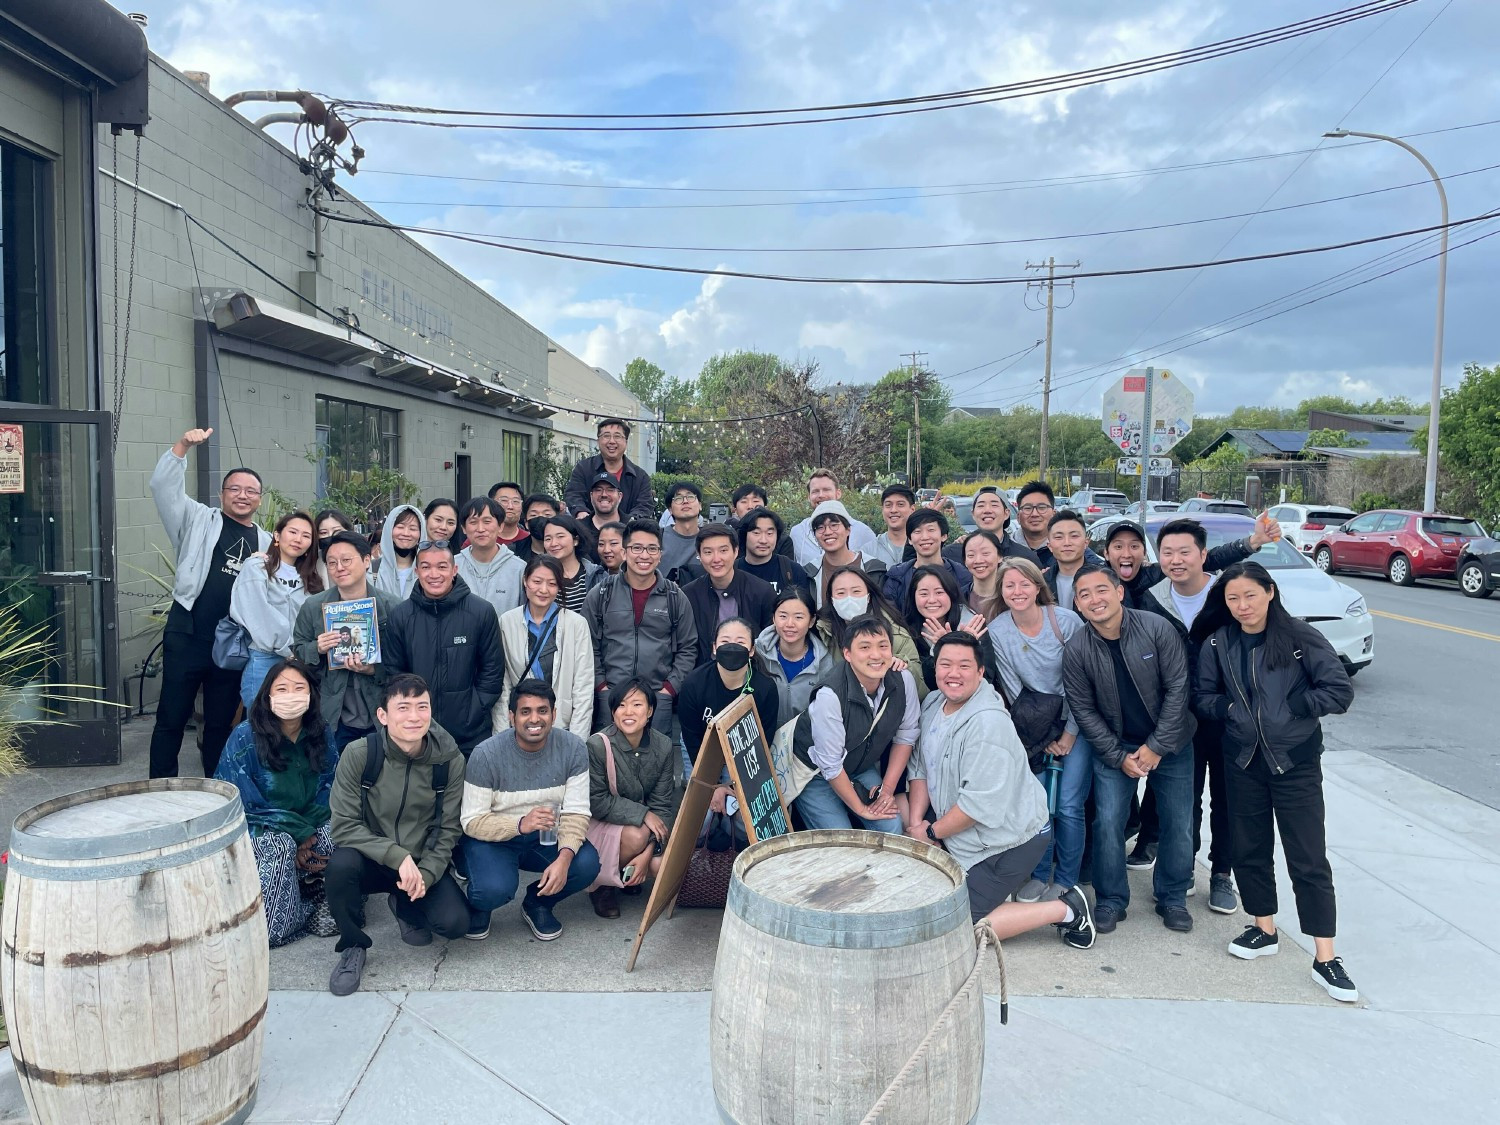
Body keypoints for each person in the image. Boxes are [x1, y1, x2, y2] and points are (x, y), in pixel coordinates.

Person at [1191, 561, 1357, 1001]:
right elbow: (1202, 695)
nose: (1242, 606)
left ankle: (1326, 956)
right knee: (1250, 849)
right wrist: (1228, 712)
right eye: (1233, 598)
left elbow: (1339, 691)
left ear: (1269, 592)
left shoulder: (1299, 637)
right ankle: (1263, 928)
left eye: (1249, 595)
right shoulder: (1219, 642)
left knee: (1308, 858)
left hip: (1294, 762)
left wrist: (1296, 707)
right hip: (1243, 761)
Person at [906, 632, 1095, 949]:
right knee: (896, 813)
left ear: (980, 672)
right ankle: (986, 890)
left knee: (955, 924)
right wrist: (917, 826)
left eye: (964, 666)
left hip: (1012, 839)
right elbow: (919, 768)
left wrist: (933, 832)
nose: (954, 673)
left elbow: (978, 807)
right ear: (935, 668)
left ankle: (1067, 909)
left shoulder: (989, 724)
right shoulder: (934, 702)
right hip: (961, 830)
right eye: (945, 664)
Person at [1062, 567, 1197, 935]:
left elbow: (1178, 690)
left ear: (1119, 592)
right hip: (1115, 747)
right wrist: (1118, 756)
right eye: (1085, 594)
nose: (1095, 599)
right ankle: (1110, 900)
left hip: (1171, 742)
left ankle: (1172, 897)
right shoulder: (1077, 649)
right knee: (1107, 822)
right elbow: (1083, 710)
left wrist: (1155, 747)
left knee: (1177, 823)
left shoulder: (1156, 628)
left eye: (1101, 590)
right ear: (1077, 603)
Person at [325, 674, 469, 996]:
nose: (414, 717)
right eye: (403, 707)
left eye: (422, 706)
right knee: (340, 867)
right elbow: (344, 825)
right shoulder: (360, 754)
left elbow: (448, 828)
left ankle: (404, 904)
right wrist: (396, 855)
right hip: (371, 859)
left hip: (419, 863)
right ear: (383, 716)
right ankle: (353, 945)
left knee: (456, 923)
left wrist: (428, 873)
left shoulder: (449, 761)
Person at [148, 427, 271, 778]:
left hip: (231, 646)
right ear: (222, 493)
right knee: (171, 717)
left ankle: (215, 793)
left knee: (219, 723)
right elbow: (162, 488)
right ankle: (162, 790)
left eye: (251, 491)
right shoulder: (197, 519)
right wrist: (183, 446)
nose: (243, 495)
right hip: (187, 633)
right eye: (235, 489)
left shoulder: (265, 542)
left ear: (260, 499)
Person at [1135, 517, 1244, 912]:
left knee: (1228, 799)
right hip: (1178, 717)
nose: (1176, 560)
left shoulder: (1228, 594)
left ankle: (1221, 874)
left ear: (1203, 555)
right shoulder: (1151, 598)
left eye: (1185, 552)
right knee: (1184, 800)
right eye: (1167, 553)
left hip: (1229, 714)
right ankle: (1184, 869)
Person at [460, 679, 602, 941]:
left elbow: (577, 813)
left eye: (542, 710)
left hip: (544, 836)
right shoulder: (486, 754)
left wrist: (564, 858)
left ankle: (538, 902)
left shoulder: (573, 748)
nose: (534, 719)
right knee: (494, 888)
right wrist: (519, 824)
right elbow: (471, 821)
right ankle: (482, 904)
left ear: (554, 714)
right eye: (525, 711)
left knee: (586, 864)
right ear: (511, 717)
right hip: (495, 838)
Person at [214, 659, 340, 946]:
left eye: (299, 688)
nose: (291, 695)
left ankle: (318, 898)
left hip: (310, 824)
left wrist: (307, 831)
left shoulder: (321, 731)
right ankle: (288, 916)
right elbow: (239, 803)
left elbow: (331, 788)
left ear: (311, 695)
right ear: (268, 695)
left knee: (337, 836)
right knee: (279, 845)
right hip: (261, 829)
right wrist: (295, 833)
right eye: (281, 688)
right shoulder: (245, 737)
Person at [988, 558, 1090, 903]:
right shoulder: (999, 628)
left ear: (1037, 587)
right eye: (1009, 585)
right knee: (1038, 805)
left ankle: (1065, 879)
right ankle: (1037, 873)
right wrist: (1043, 735)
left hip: (1077, 720)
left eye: (1024, 584)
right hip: (1036, 724)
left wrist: (1069, 735)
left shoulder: (1066, 621)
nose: (1017, 592)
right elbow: (1014, 688)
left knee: (1069, 804)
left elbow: (1082, 683)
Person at [790, 615, 918, 832]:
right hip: (816, 773)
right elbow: (830, 765)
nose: (876, 655)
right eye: (865, 647)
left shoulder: (903, 680)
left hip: (859, 766)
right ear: (847, 653)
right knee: (842, 838)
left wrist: (886, 791)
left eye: (883, 646)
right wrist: (861, 809)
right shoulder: (830, 695)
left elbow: (906, 736)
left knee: (890, 824)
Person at [384, 539, 505, 757]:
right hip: (417, 732)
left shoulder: (481, 612)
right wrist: (412, 714)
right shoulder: (400, 616)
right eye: (426, 567)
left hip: (471, 734)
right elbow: (394, 674)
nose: (434, 574)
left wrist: (473, 710)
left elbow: (492, 672)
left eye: (442, 566)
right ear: (416, 571)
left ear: (454, 569)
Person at [583, 519, 698, 737]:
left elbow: (688, 647)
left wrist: (669, 689)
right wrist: (601, 687)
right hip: (611, 697)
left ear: (660, 554)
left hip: (657, 697)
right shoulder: (601, 593)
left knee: (654, 764)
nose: (644, 555)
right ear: (624, 553)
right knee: (608, 762)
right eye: (637, 548)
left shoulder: (674, 596)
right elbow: (587, 644)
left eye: (652, 548)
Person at [293, 531, 399, 751]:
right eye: (332, 563)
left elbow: (406, 660)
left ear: (367, 560)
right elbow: (298, 653)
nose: (339, 567)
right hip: (333, 713)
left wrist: (374, 669)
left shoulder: (393, 607)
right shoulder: (313, 607)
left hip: (380, 711)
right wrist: (317, 648)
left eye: (346, 560)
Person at [584, 680, 679, 918]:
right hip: (603, 822)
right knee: (636, 835)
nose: (628, 712)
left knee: (658, 864)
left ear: (649, 711)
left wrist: (648, 854)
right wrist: (644, 814)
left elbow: (663, 805)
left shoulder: (663, 745)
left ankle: (631, 869)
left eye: (637, 705)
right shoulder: (597, 745)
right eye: (621, 705)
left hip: (643, 829)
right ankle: (602, 886)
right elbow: (597, 801)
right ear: (613, 711)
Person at [232, 510, 322, 707]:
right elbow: (257, 614)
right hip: (265, 658)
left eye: (306, 536)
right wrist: (290, 648)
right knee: (261, 724)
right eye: (293, 532)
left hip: (302, 661)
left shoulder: (312, 579)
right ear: (277, 535)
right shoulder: (257, 568)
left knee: (297, 723)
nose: (298, 539)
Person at [496, 555, 594, 738]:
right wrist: (502, 736)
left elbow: (583, 687)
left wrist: (577, 741)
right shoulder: (507, 622)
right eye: (537, 581)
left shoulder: (576, 624)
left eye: (552, 583)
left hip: (562, 726)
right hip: (521, 726)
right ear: (525, 581)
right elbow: (504, 685)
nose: (543, 590)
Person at [679, 617, 781, 767]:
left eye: (740, 642)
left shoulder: (765, 689)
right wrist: (711, 786)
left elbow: (763, 742)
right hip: (701, 748)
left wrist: (733, 785)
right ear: (714, 648)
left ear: (752, 650)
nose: (732, 647)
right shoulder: (693, 683)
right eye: (725, 641)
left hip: (745, 754)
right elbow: (692, 737)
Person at [815, 565, 923, 693]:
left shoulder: (895, 633)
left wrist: (903, 665)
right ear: (831, 599)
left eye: (856, 591)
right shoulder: (823, 631)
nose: (849, 599)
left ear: (868, 596)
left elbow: (920, 688)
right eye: (841, 593)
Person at [681, 522, 775, 665]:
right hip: (705, 675)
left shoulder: (762, 591)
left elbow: (771, 642)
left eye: (723, 550)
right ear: (698, 555)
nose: (716, 559)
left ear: (736, 551)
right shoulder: (689, 595)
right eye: (708, 552)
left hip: (751, 674)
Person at [902, 565, 999, 694]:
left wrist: (967, 646)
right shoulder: (906, 631)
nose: (932, 600)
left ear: (951, 593)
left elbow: (988, 676)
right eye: (924, 594)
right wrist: (938, 651)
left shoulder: (971, 623)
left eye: (939, 592)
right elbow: (922, 683)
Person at [756, 586, 832, 716]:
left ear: (811, 621)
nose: (790, 624)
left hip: (805, 734)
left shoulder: (824, 662)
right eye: (783, 616)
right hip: (764, 732)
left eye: (798, 617)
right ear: (774, 618)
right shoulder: (758, 653)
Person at [563, 417, 656, 522]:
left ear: (626, 441)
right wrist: (582, 513)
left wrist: (629, 523)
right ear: (598, 441)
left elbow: (644, 505)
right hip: (589, 532)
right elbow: (574, 494)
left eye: (617, 436)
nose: (612, 441)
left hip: (627, 533)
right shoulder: (583, 468)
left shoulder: (640, 476)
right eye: (606, 436)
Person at [883, 509, 972, 608]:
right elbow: (889, 616)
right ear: (910, 539)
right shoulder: (896, 576)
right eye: (917, 531)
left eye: (931, 530)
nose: (924, 537)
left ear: (944, 536)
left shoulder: (962, 575)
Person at [790, 469, 879, 568]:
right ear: (809, 497)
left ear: (838, 493)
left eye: (826, 490)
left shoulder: (863, 532)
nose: (821, 495)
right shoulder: (797, 532)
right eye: (815, 491)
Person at [456, 496, 526, 621]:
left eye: (487, 522)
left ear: (500, 526)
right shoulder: (453, 566)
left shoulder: (519, 569)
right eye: (473, 522)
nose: (481, 529)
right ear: (464, 528)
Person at [807, 499, 882, 607]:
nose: (827, 532)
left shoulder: (872, 569)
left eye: (834, 525)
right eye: (820, 527)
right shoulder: (810, 572)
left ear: (848, 529)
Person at [737, 506, 810, 593]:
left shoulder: (793, 570)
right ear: (744, 535)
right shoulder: (732, 571)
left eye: (770, 533)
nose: (763, 540)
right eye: (756, 533)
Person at [541, 513, 603, 613]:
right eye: (548, 539)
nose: (553, 543)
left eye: (560, 536)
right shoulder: (540, 576)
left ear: (576, 540)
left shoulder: (596, 575)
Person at [1042, 509, 1097, 610]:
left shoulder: (1104, 579)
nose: (1067, 543)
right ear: (1049, 546)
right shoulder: (1041, 583)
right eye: (1059, 537)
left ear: (1086, 543)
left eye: (1074, 536)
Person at [371, 504, 425, 599]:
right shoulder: (371, 570)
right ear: (389, 530)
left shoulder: (428, 571)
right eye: (400, 527)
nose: (406, 533)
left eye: (412, 529)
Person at [660, 481, 704, 580]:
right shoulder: (659, 537)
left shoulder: (710, 538)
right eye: (678, 498)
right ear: (670, 510)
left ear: (700, 505)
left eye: (690, 497)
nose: (685, 501)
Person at [963, 529, 1007, 623]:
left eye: (985, 553)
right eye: (971, 555)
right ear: (965, 561)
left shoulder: (1012, 595)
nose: (978, 560)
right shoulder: (959, 598)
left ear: (999, 557)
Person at [1011, 481, 1059, 566]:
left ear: (1053, 514)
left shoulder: (1068, 549)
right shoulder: (1004, 550)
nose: (1035, 514)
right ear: (1018, 516)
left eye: (1041, 508)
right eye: (1028, 508)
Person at [869, 485, 916, 567]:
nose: (893, 510)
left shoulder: (921, 546)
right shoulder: (869, 550)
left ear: (912, 509)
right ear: (882, 510)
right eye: (888, 505)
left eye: (900, 504)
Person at [488, 481, 531, 559]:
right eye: (504, 500)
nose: (510, 506)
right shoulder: (480, 539)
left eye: (515, 501)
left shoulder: (530, 540)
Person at [314, 509, 355, 590]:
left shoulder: (360, 556)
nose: (331, 536)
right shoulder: (311, 564)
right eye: (323, 533)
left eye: (336, 531)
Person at [579, 472, 624, 543]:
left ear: (620, 496)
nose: (604, 494)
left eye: (610, 490)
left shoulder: (631, 527)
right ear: (591, 496)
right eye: (598, 490)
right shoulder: (579, 529)